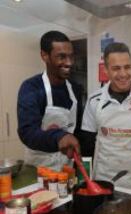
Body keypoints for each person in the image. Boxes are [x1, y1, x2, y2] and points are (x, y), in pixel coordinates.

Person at [81, 42, 131, 192]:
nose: (123, 74)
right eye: (116, 68)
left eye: (127, 67)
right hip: (104, 181)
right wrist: (84, 179)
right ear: (106, 70)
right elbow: (87, 145)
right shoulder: (95, 100)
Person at [17, 31, 82, 171]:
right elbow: (27, 132)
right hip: (38, 170)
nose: (69, 63)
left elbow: (78, 131)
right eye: (61, 57)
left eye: (71, 56)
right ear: (44, 55)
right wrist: (59, 137)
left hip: (66, 170)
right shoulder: (32, 88)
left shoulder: (75, 89)